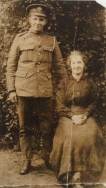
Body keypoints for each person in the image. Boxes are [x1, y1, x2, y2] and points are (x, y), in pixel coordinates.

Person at [6, 4, 67, 174]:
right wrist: (11, 90)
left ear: (45, 21)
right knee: (25, 127)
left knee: (46, 127)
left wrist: (62, 89)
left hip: (45, 91)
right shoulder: (20, 39)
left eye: (41, 19)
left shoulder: (52, 40)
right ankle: (27, 160)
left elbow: (60, 67)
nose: (38, 22)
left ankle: (46, 158)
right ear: (29, 20)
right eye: (35, 19)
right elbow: (10, 66)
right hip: (23, 90)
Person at [50, 51, 105, 188]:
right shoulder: (64, 83)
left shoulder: (90, 83)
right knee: (71, 136)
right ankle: (71, 175)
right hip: (68, 116)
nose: (77, 66)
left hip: (85, 115)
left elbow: (93, 102)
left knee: (92, 133)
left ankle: (85, 175)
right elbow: (59, 104)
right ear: (70, 65)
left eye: (79, 62)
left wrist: (85, 115)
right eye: (74, 63)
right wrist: (72, 116)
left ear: (84, 64)